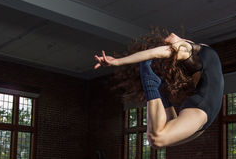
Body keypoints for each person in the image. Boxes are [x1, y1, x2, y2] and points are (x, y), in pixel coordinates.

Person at [94, 32, 224, 148]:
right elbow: (154, 53)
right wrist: (117, 62)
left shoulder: (192, 48)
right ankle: (151, 84)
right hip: (202, 108)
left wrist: (118, 61)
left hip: (204, 114)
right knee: (156, 139)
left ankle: (159, 93)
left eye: (166, 42)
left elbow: (157, 51)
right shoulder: (185, 49)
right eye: (165, 44)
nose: (168, 38)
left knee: (157, 141)